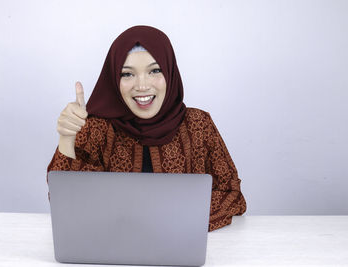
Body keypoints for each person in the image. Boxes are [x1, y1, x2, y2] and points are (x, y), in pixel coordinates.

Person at [47, 25, 246, 231]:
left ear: (170, 72)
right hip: (114, 253)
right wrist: (66, 138)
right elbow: (66, 202)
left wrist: (173, 224)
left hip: (178, 250)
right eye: (127, 74)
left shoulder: (198, 125)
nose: (142, 85)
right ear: (114, 79)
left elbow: (231, 193)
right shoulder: (97, 128)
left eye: (155, 70)